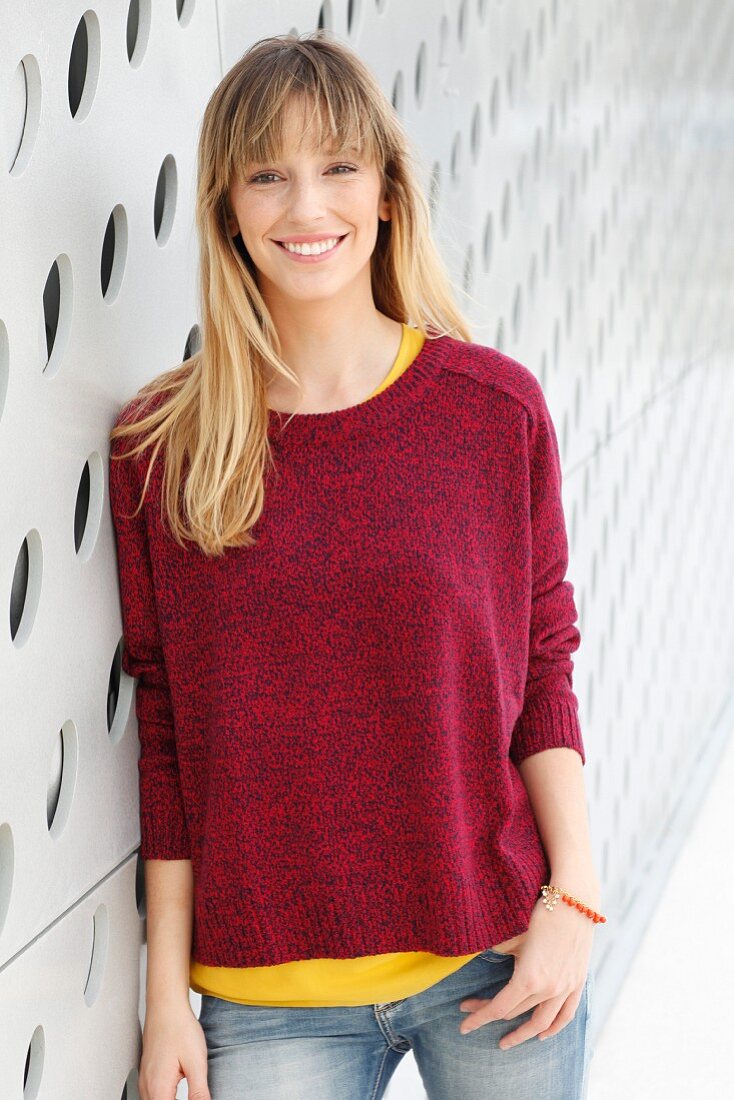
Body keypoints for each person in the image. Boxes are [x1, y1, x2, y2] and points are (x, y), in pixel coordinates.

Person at [109, 31, 603, 1100]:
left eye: (336, 166)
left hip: (498, 957)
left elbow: (543, 663)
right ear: (226, 209)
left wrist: (574, 897)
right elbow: (165, 734)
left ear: (385, 192)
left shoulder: (490, 408)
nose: (304, 207)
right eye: (266, 175)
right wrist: (163, 1010)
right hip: (266, 995)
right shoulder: (163, 446)